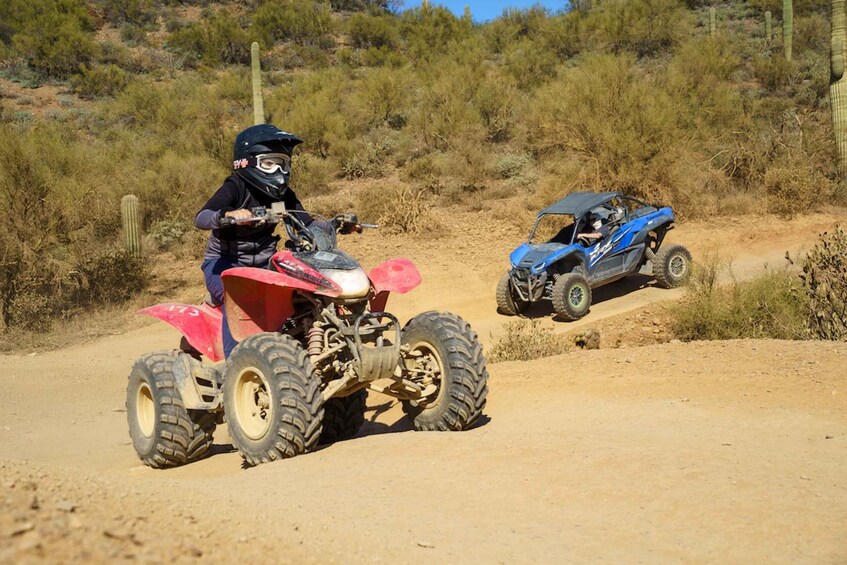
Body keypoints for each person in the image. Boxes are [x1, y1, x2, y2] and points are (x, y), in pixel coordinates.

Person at [195, 124, 331, 357]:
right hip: (225, 266)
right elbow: (201, 217)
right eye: (270, 163)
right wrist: (227, 215)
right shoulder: (236, 186)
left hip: (265, 266)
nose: (279, 170)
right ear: (248, 162)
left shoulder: (283, 194)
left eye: (284, 163)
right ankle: (236, 364)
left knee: (305, 291)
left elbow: (305, 222)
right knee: (238, 296)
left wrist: (332, 226)